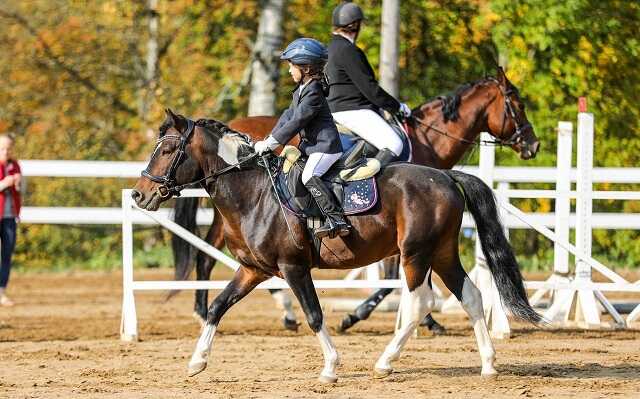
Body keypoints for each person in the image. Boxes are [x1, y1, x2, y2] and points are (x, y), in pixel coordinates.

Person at [254, 38, 351, 239]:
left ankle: (336, 218)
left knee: (309, 176)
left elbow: (297, 121)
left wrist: (273, 143)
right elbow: (287, 116)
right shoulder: (301, 90)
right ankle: (311, 217)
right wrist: (268, 139)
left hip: (326, 148)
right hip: (312, 147)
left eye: (291, 65)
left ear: (306, 67)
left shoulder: (314, 92)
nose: (289, 70)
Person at [326, 1, 411, 168]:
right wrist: (397, 107)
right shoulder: (348, 50)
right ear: (355, 25)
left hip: (333, 110)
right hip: (353, 111)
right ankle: (364, 182)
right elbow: (370, 89)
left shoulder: (328, 48)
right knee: (394, 144)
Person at [0, 134, 21, 307]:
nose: (6, 152)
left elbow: (20, 192)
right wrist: (4, 183)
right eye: (2, 148)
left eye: (8, 148)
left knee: (7, 255)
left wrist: (17, 184)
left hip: (9, 217)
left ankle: (2, 291)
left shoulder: (15, 166)